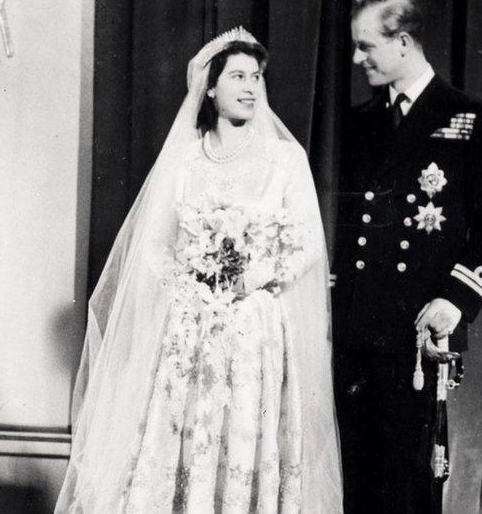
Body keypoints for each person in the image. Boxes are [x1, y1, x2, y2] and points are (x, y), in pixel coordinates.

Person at [56, 27, 343, 513]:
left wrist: (246, 279)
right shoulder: (187, 160)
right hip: (190, 328)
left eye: (255, 76)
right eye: (237, 76)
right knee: (185, 438)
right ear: (210, 87)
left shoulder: (284, 159)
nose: (251, 86)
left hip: (255, 326)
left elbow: (308, 244)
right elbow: (153, 244)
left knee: (243, 439)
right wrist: (189, 285)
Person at [331, 0, 482, 513]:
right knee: (358, 479)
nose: (358, 59)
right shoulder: (361, 122)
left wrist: (456, 302)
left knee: (410, 484)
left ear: (403, 42)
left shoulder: (471, 117)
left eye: (367, 47)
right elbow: (350, 234)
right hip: (358, 328)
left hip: (417, 330)